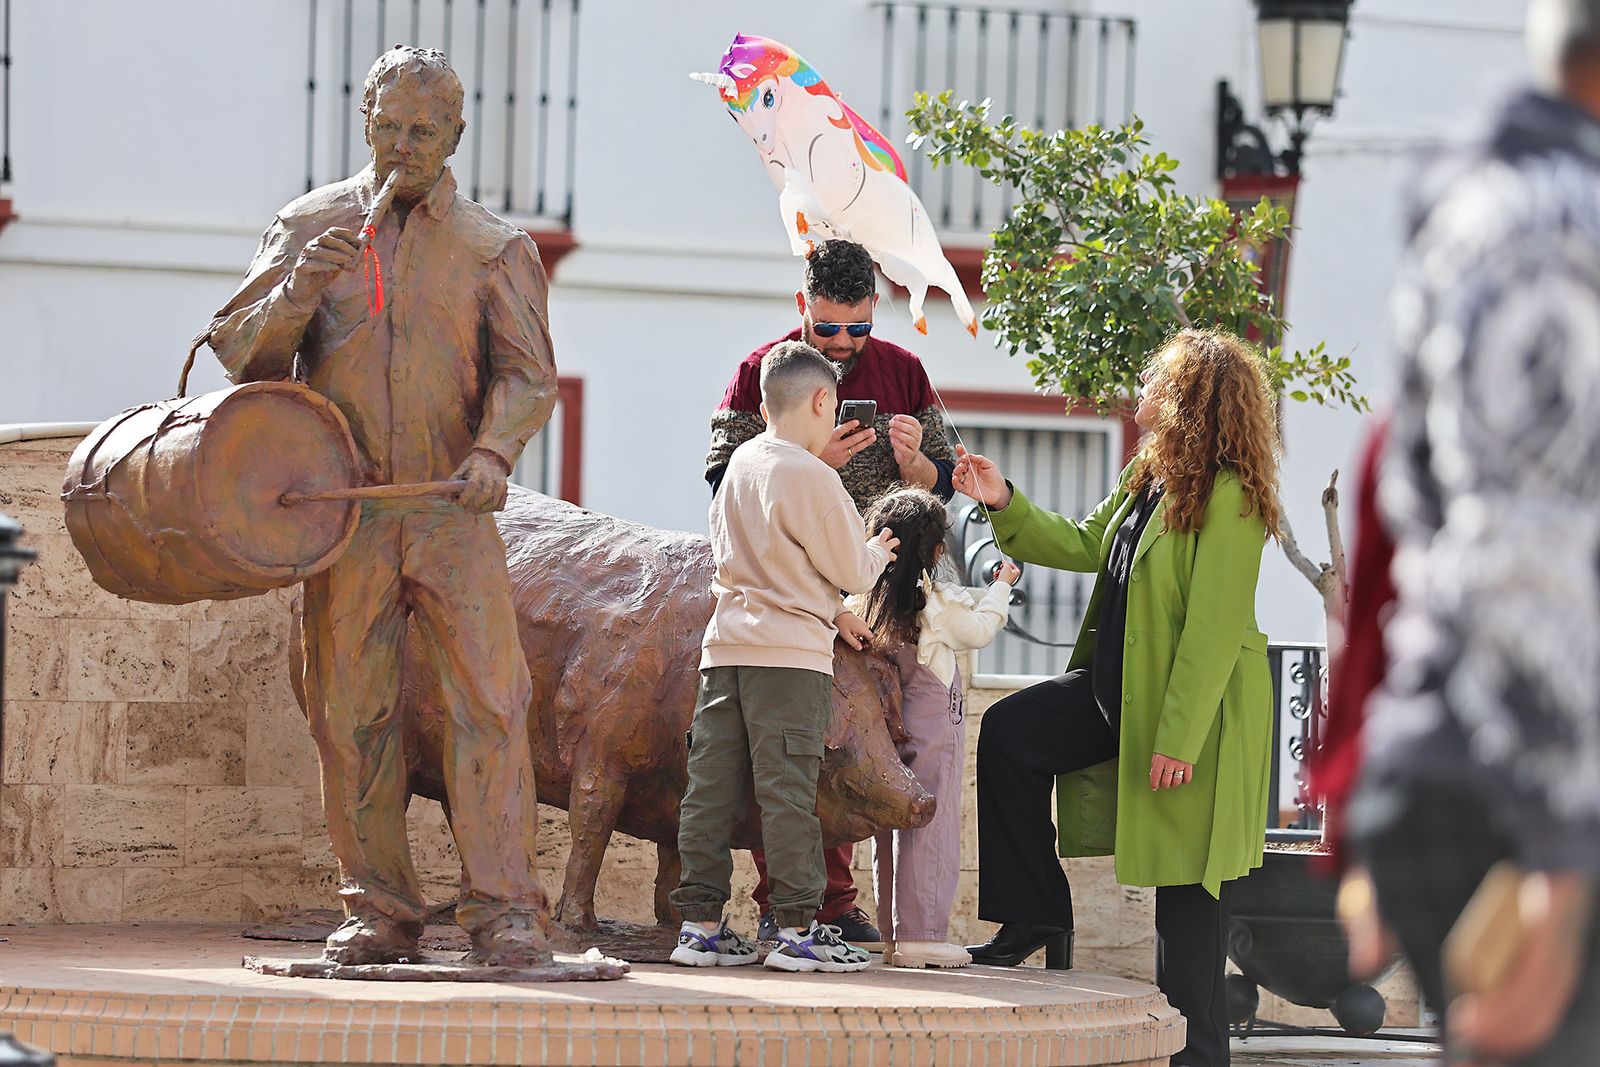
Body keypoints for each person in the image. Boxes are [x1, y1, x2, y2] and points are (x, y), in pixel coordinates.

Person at [206, 47, 556, 967]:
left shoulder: (493, 246)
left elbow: (528, 376)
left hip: (452, 508)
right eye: (389, 126)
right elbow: (241, 358)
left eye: (425, 131)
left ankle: (506, 909)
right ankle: (380, 909)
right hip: (346, 515)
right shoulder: (309, 222)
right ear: (365, 121)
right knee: (350, 708)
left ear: (456, 136)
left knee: (490, 700)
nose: (405, 146)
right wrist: (295, 293)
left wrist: (494, 450)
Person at [1346, 1, 1600, 1059]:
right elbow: (1525, 534)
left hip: (1462, 750)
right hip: (1529, 778)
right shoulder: (1558, 218)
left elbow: (1405, 486)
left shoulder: (1460, 194)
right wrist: (1561, 857)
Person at [954, 328, 1279, 1067]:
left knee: (1188, 906)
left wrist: (1180, 739)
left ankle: (1199, 1057)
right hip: (1121, 693)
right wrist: (1002, 497)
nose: (1142, 391)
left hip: (1197, 717)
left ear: (1191, 396)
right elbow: (1081, 541)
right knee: (1012, 732)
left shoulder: (1233, 496)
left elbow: (1213, 630)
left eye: (1157, 381)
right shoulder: (1149, 472)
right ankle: (1034, 911)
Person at [706, 238, 958, 946]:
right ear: (802, 308)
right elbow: (725, 477)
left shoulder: (906, 371)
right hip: (792, 590)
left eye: (858, 328)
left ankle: (837, 902)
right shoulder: (765, 370)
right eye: (828, 328)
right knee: (788, 745)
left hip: (884, 591)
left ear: (876, 309)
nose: (844, 344)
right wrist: (809, 457)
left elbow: (948, 470)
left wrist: (920, 465)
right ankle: (794, 901)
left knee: (856, 740)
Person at [670, 340, 899, 973]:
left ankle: (700, 928)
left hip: (725, 650)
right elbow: (851, 567)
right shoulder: (812, 475)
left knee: (710, 789)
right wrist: (877, 552)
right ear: (823, 400)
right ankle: (798, 930)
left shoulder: (740, 463)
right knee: (788, 792)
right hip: (791, 657)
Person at [839, 488, 1019, 969]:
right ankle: (924, 936)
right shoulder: (934, 603)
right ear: (937, 549)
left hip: (884, 727)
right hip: (934, 720)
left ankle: (893, 934)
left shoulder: (863, 600)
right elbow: (980, 628)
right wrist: (1002, 585)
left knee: (888, 824)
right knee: (931, 823)